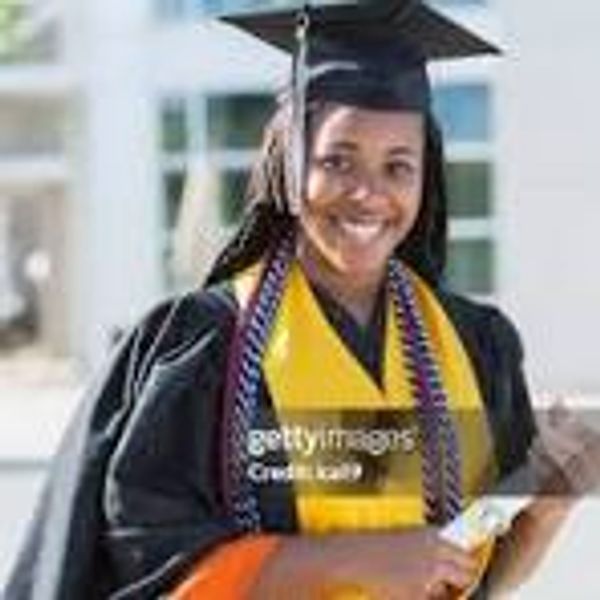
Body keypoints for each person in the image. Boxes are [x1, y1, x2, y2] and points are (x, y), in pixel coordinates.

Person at [5, 2, 600, 599]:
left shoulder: (476, 348)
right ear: (289, 165)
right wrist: (353, 559)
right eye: (337, 160)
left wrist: (543, 510)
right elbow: (154, 573)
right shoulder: (204, 348)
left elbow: (475, 581)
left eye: (399, 167)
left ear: (426, 178)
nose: (368, 193)